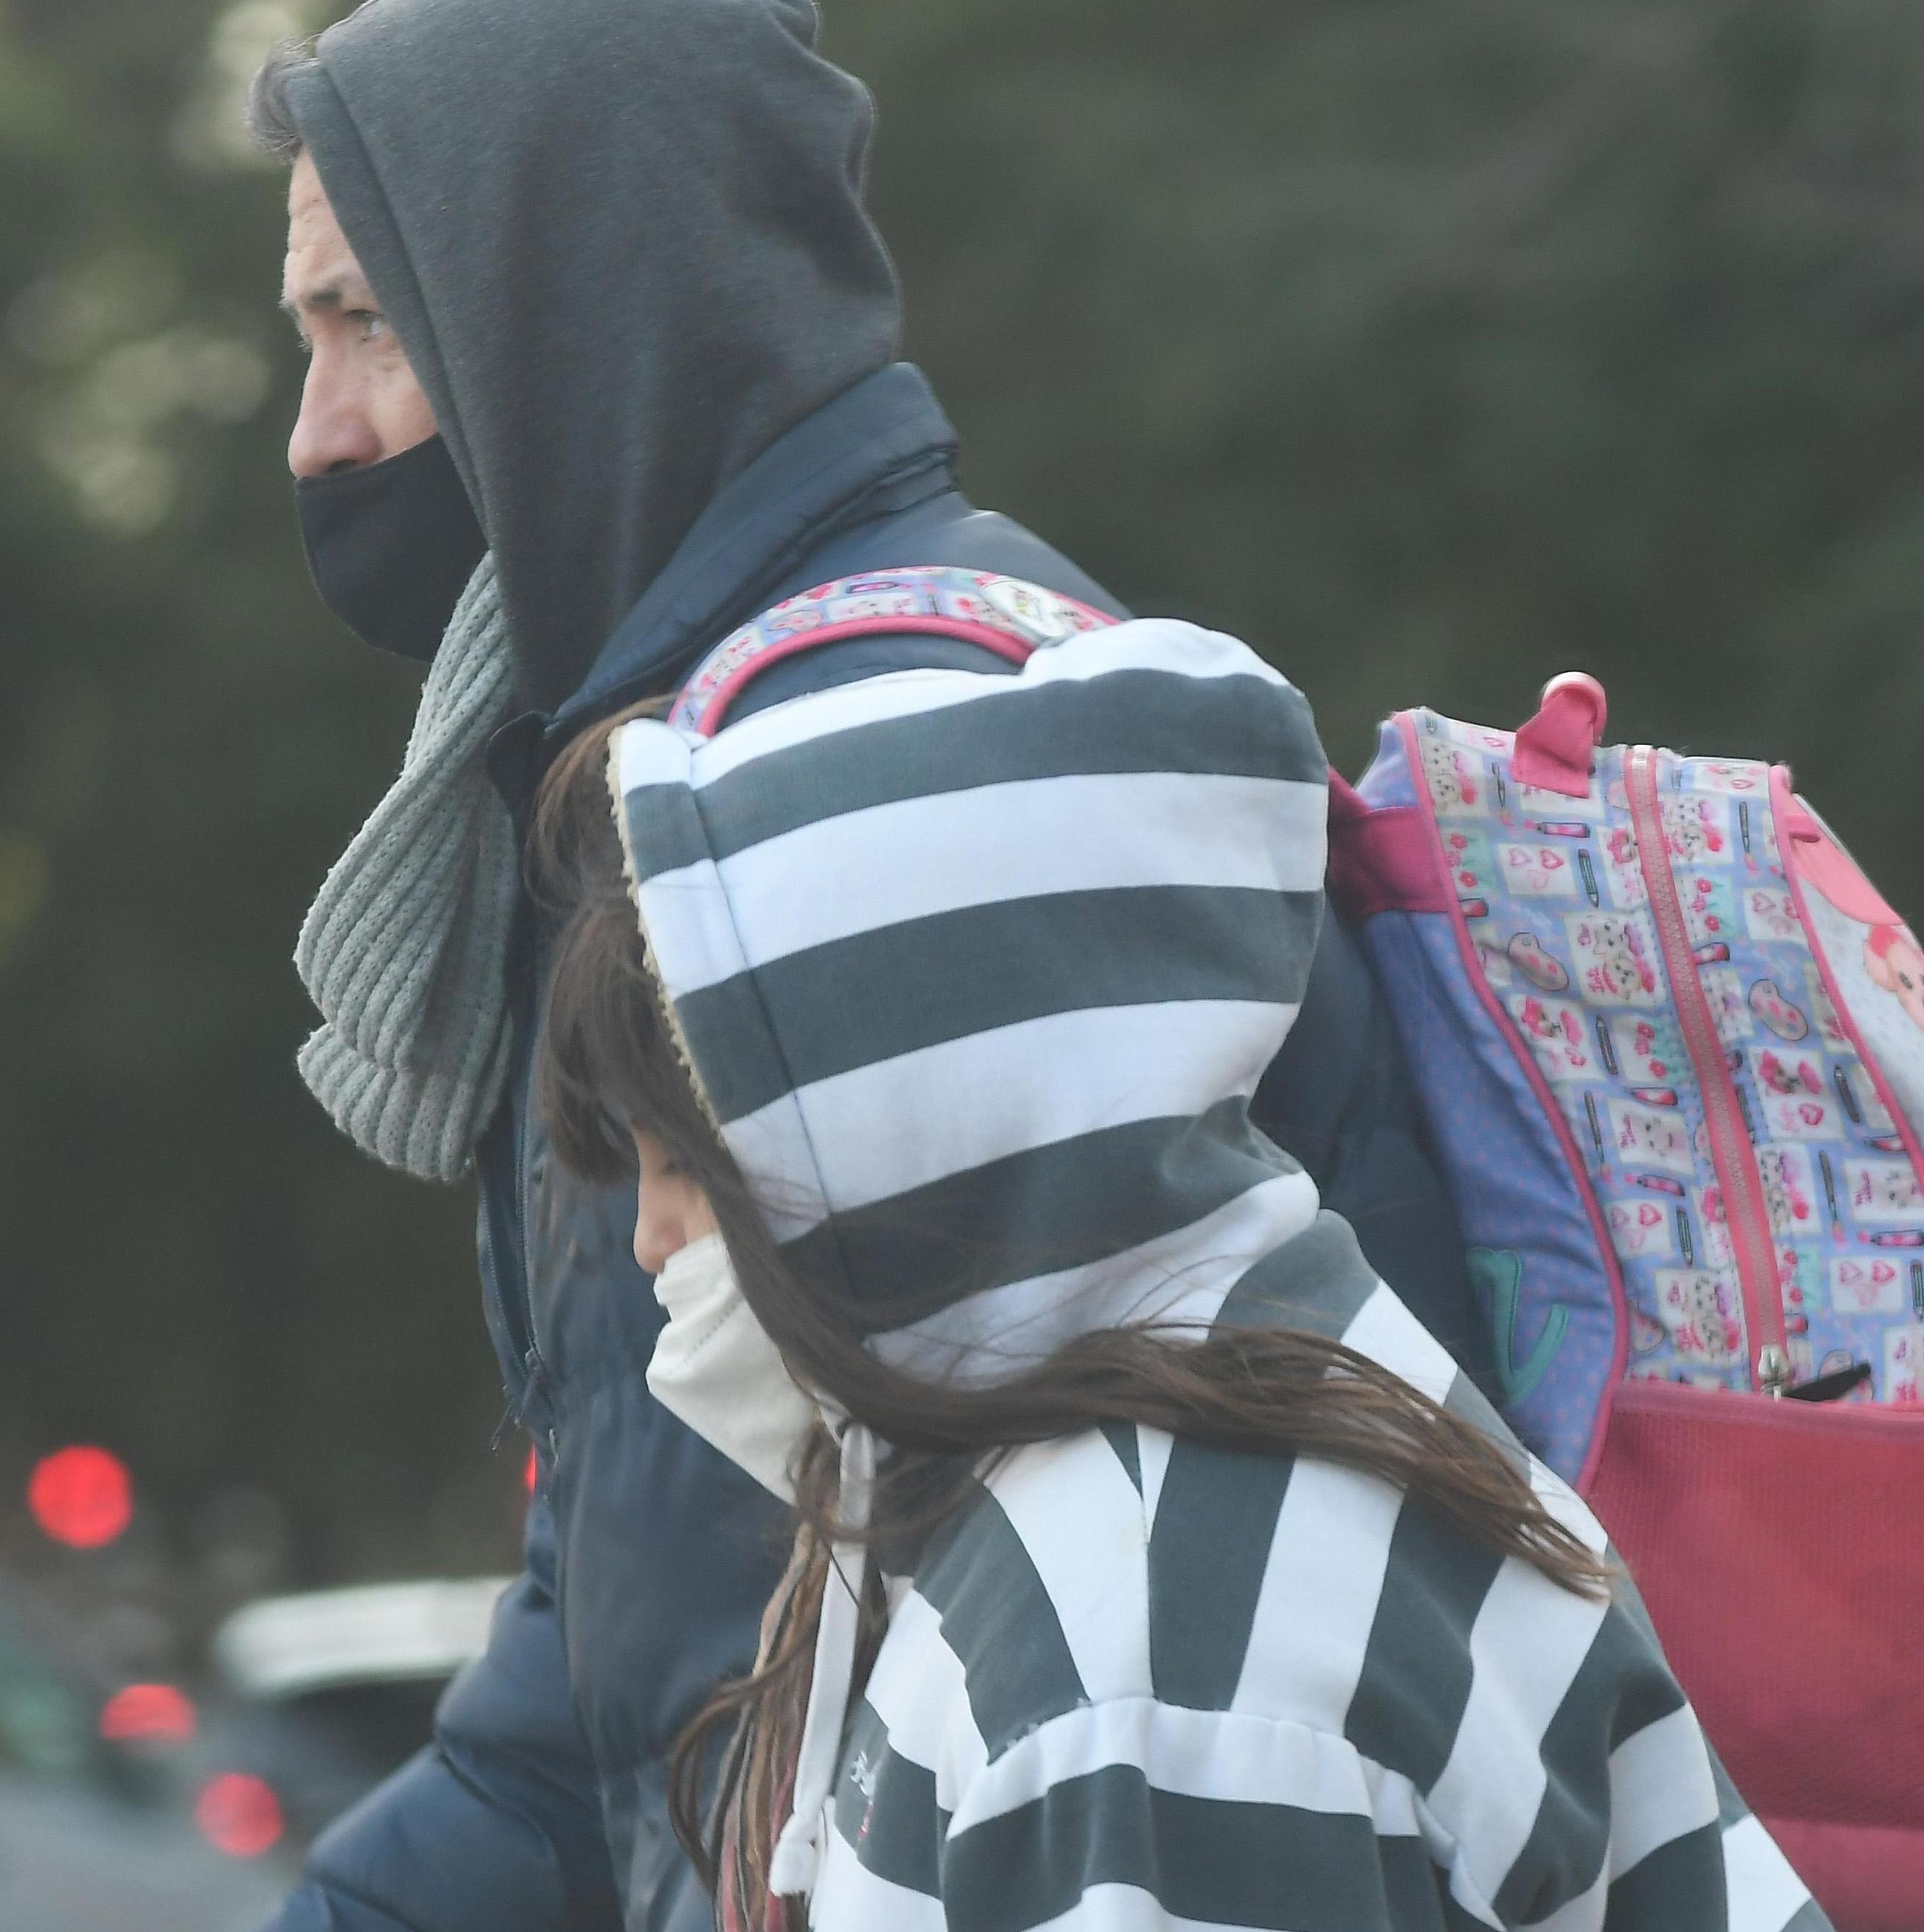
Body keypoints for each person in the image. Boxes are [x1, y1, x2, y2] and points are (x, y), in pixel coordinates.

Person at [257, 0, 1485, 1929]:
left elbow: (967, 1694)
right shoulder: (722, 752)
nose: (313, 436)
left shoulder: (866, 816)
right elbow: (622, 1683)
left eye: (361, 325)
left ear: (567, 304)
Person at [526, 621, 1822, 1930]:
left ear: (904, 1132)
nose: (649, 1238)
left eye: (685, 1157)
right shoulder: (1201, 1422)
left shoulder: (1135, 1663)